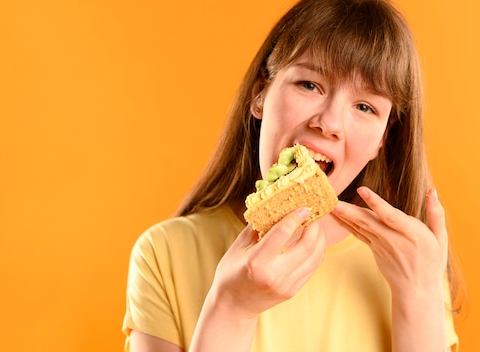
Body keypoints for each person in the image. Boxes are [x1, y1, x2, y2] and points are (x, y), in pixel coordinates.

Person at [122, 0, 465, 351]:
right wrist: (231, 308)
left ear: (382, 140)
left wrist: (420, 297)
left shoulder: (411, 263)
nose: (328, 123)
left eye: (364, 107)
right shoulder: (164, 254)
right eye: (309, 85)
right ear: (260, 94)